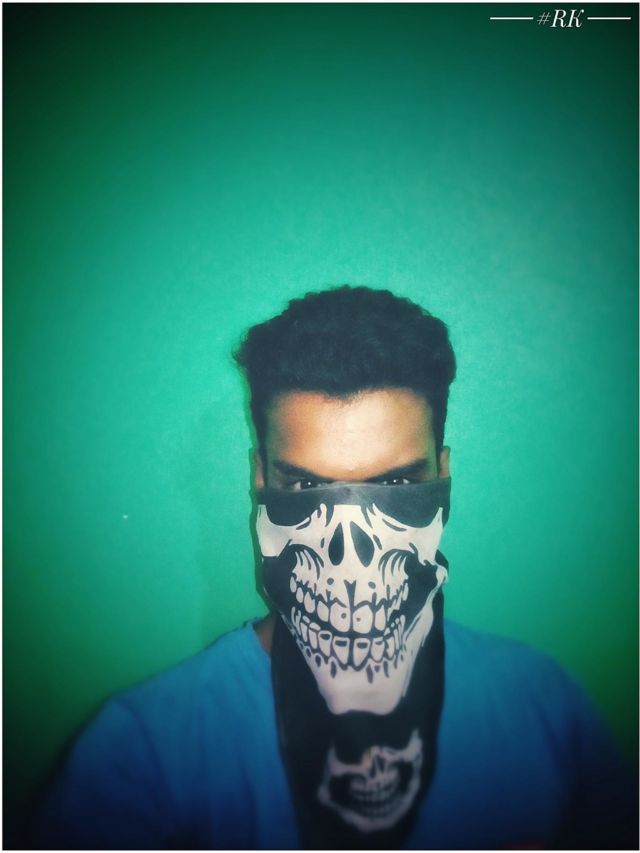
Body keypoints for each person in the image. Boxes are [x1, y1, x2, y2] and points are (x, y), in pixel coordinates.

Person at [33, 286, 636, 849]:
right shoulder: (143, 754)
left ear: (443, 474)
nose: (350, 558)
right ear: (260, 480)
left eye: (396, 484)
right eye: (305, 486)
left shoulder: (546, 709)